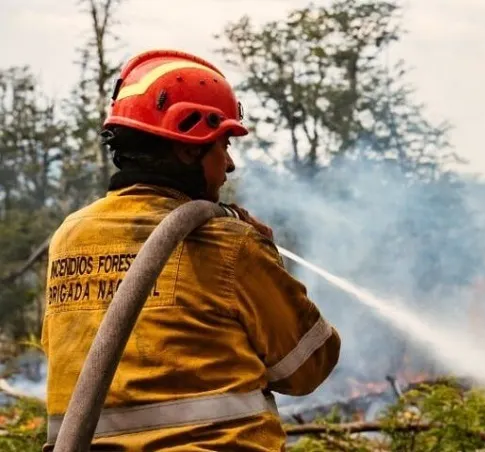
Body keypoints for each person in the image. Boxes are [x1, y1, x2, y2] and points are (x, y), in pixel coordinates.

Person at [40, 49, 341, 451]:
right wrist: (265, 256)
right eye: (223, 144)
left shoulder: (69, 237)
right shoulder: (230, 245)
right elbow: (308, 367)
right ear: (187, 148)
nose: (229, 165)